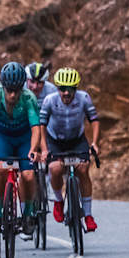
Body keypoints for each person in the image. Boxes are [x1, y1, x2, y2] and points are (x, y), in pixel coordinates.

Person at [0, 62, 44, 239]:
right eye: (9, 89)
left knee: (28, 176)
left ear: (22, 87)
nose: (12, 94)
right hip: (2, 137)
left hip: (24, 139)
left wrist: (33, 150)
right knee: (0, 169)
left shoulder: (29, 98)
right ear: (3, 86)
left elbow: (35, 128)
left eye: (16, 90)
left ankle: (28, 214)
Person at [40, 67, 101, 232]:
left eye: (71, 89)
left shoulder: (84, 98)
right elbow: (41, 126)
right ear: (57, 87)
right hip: (55, 141)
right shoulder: (49, 100)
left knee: (82, 169)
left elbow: (94, 121)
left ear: (77, 88)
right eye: (62, 89)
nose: (66, 93)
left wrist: (94, 143)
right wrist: (44, 149)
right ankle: (58, 201)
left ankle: (88, 215)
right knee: (55, 168)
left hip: (76, 140)